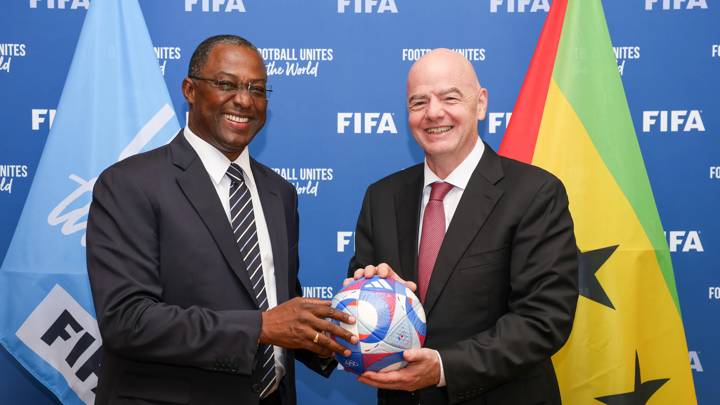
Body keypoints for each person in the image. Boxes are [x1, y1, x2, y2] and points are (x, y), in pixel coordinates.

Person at [87, 35, 356, 405]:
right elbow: (128, 321)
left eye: (257, 89)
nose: (244, 100)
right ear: (189, 89)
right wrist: (260, 328)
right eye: (226, 84)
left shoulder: (279, 193)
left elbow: (281, 304)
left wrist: (327, 340)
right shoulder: (129, 185)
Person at [345, 48, 578, 405]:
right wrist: (367, 294)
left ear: (481, 103)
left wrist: (443, 367)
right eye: (418, 101)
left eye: (449, 97)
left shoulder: (535, 194)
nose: (433, 112)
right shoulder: (381, 197)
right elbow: (358, 305)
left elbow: (543, 319)